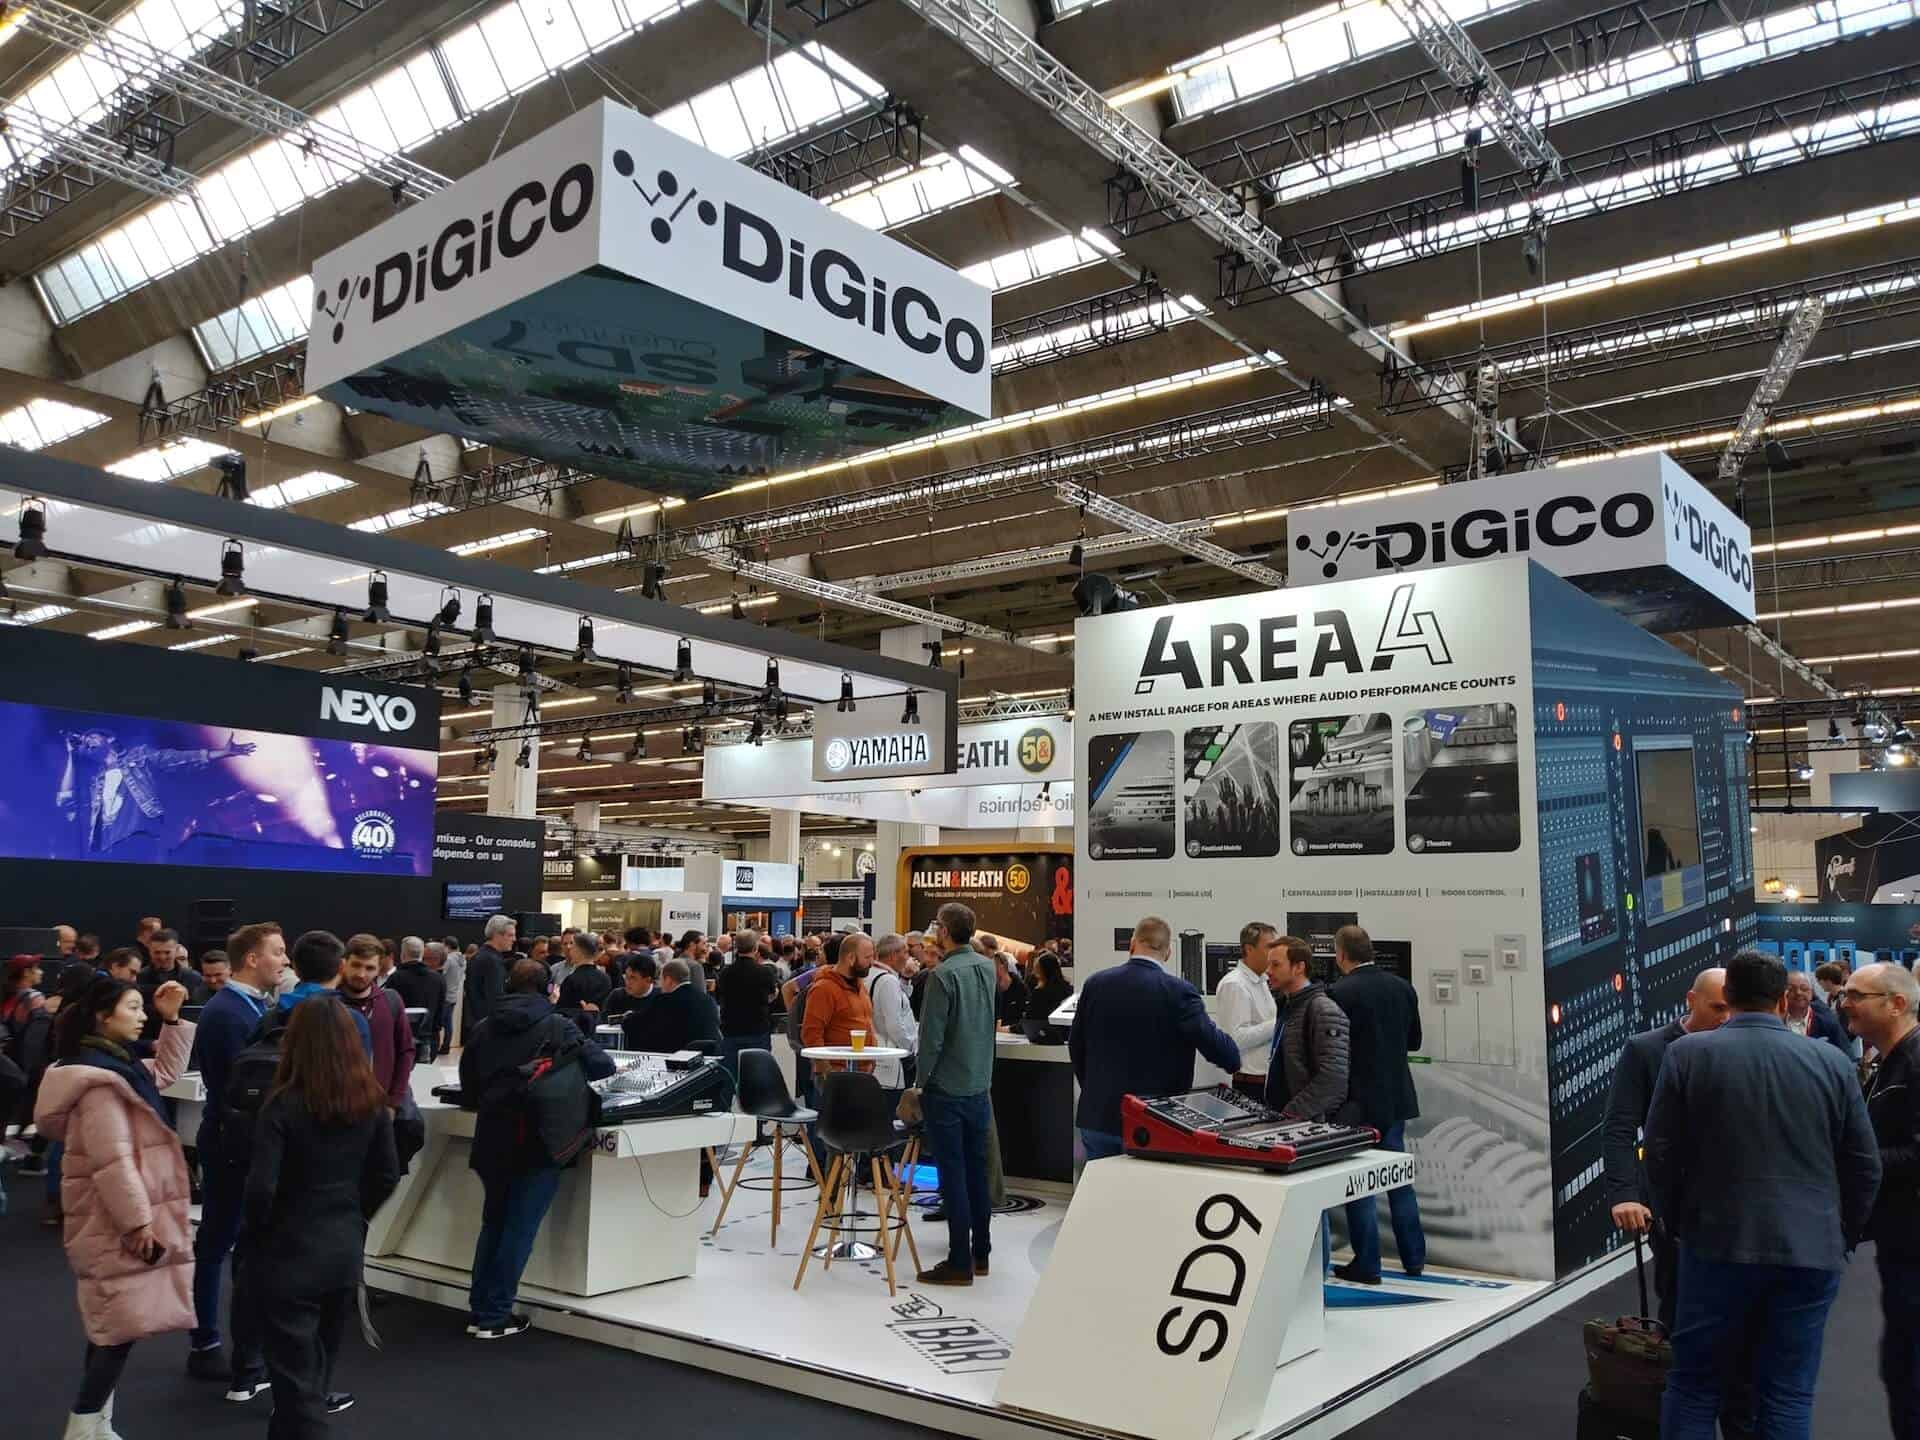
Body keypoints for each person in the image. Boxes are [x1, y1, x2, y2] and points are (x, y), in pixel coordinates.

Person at [1645, 948, 1881, 1440]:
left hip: (1715, 1245)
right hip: (1810, 1248)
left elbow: (1661, 1154)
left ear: (1728, 996)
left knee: (1694, 1386)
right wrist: (1841, 1235)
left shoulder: (1687, 1055)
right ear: (1782, 1001)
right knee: (1788, 1392)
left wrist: (1678, 1225)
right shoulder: (1831, 1063)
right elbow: (1864, 1165)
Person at [36, 974, 195, 1439]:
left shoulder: (116, 1065)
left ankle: (96, 1424)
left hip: (111, 1215)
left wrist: (173, 1022)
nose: (142, 1016)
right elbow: (113, 1163)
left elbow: (164, 1073)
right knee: (117, 1327)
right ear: (102, 1017)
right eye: (133, 1007)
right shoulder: (102, 1083)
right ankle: (84, 1427)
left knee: (113, 1324)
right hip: (112, 1219)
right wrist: (138, 1224)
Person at [246, 1001, 400, 1434]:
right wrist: (353, 1212)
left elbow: (260, 1188)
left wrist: (261, 1232)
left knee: (295, 1384)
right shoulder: (371, 1102)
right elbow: (386, 1175)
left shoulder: (282, 1105)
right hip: (343, 1246)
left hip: (289, 1249)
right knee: (315, 1374)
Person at [459, 959, 614, 1339]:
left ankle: (480, 1310)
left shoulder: (484, 1027)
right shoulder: (559, 1026)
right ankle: (495, 1316)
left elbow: (469, 1085)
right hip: (539, 1138)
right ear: (549, 989)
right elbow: (603, 1067)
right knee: (519, 1229)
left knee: (494, 1224)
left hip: (492, 1135)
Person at [1601, 966, 1730, 1329]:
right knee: (1679, 1307)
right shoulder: (1646, 1049)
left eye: (1732, 1008)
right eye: (1717, 1008)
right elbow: (1618, 1127)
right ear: (1691, 1000)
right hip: (1672, 1208)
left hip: (1735, 1203)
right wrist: (1625, 1194)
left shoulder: (1741, 1049)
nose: (1726, 1018)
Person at [187, 921, 286, 1386]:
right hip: (233, 1143)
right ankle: (207, 1342)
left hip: (241, 1139)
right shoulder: (229, 1013)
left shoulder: (249, 1007)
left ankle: (228, 1342)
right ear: (252, 958)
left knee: (230, 1241)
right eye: (277, 952)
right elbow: (242, 1088)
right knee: (219, 1242)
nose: (284, 960)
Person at [1071, 916, 1240, 1162]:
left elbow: (1076, 1045)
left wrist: (1094, 1089)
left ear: (1132, 944)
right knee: (1146, 1187)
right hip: (1152, 1123)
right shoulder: (1179, 991)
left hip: (1098, 1117)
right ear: (1168, 952)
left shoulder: (1096, 983)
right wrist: (1233, 1056)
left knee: (1101, 1186)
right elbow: (1222, 1052)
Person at [1840, 961, 1920, 1439]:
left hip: (1912, 1238)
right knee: (1901, 1364)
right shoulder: (1890, 1061)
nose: (1845, 1003)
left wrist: (1856, 1160)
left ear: (1897, 1004)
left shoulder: (1914, 1062)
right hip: (1899, 1235)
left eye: (1856, 995)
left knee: (1909, 1366)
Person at [1330, 925, 1427, 1284]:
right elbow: (1414, 1042)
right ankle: (1414, 1259)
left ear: (1341, 955)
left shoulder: (1339, 993)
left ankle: (1368, 1264)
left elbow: (1335, 1051)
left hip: (1358, 1103)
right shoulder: (1403, 988)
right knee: (1399, 1181)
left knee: (1360, 1184)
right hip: (1397, 1099)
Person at [913, 903, 1001, 1287]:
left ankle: (959, 1261)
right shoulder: (986, 967)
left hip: (946, 1089)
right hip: (979, 1085)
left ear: (945, 932)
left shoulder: (942, 975)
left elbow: (931, 1039)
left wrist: (920, 1084)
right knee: (978, 1172)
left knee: (953, 1176)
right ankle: (981, 1253)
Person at [1202, 922, 1280, 1098]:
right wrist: (1279, 1022)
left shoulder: (1262, 981)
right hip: (1252, 1083)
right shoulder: (1235, 984)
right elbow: (1236, 1040)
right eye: (1269, 947)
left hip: (1266, 1079)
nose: (1274, 953)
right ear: (1249, 949)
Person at [339, 935, 415, 1110]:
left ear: (379, 969)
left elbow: (406, 1051)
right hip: (338, 1108)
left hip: (382, 1105)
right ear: (344, 963)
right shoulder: (328, 1004)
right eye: (356, 965)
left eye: (369, 968)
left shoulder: (391, 1001)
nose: (361, 974)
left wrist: (394, 1101)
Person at [801, 931, 875, 1076]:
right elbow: (811, 1033)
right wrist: (827, 1070)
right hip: (837, 1072)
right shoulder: (824, 988)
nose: (871, 963)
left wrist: (871, 1061)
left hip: (860, 1070)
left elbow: (867, 1022)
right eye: (867, 957)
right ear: (851, 958)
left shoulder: (860, 986)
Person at [622, 958, 720, 1053]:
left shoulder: (666, 1000)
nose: (660, 985)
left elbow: (638, 1024)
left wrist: (628, 1017)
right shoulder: (708, 999)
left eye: (661, 980)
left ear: (668, 980)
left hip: (679, 1056)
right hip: (710, 1055)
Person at [715, 931, 776, 1077]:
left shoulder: (725, 973)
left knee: (730, 1077)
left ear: (736, 947)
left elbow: (719, 997)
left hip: (731, 1029)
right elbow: (771, 996)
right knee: (758, 1077)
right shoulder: (765, 972)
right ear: (755, 948)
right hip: (758, 1029)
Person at [868, 933, 919, 1094]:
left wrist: (905, 978)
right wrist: (910, 1048)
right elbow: (894, 1024)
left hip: (876, 1052)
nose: (908, 957)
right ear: (893, 956)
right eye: (905, 952)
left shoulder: (872, 974)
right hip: (891, 1058)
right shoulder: (887, 980)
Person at [386, 941, 447, 1064]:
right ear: (422, 954)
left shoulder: (395, 978)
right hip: (429, 1038)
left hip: (400, 1040)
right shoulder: (438, 979)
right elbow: (440, 1011)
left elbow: (390, 1011)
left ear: (402, 954)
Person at [463, 915, 519, 1044]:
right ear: (497, 935)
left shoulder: (480, 956)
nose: (514, 939)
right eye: (510, 935)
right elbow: (495, 998)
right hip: (488, 1028)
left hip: (477, 1024)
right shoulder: (492, 961)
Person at [555, 932, 611, 1032]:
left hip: (576, 1030)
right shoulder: (605, 978)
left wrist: (554, 1002)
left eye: (573, 947)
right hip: (600, 1030)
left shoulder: (572, 980)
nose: (570, 950)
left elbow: (562, 1012)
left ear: (579, 951)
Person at [1784, 970, 1850, 1055]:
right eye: (1791, 989)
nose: (1798, 992)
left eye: (1804, 988)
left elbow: (1847, 1055)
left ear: (1811, 993)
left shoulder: (1828, 1023)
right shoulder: (1776, 1021)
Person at [1026, 950, 1073, 1031]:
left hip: (1043, 1032)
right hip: (1065, 1032)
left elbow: (1031, 1020)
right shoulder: (1069, 990)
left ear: (1042, 972)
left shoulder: (1039, 993)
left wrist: (1011, 1028)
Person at [604, 954, 657, 1023]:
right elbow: (602, 1023)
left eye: (633, 978)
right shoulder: (617, 996)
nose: (627, 982)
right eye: (626, 977)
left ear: (648, 980)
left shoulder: (660, 998)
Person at [437, 939, 465, 1057]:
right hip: (453, 995)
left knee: (438, 1023)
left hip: (444, 995)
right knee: (448, 1024)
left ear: (447, 946)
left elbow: (441, 973)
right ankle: (445, 1046)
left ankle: (438, 1046)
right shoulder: (462, 960)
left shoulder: (449, 959)